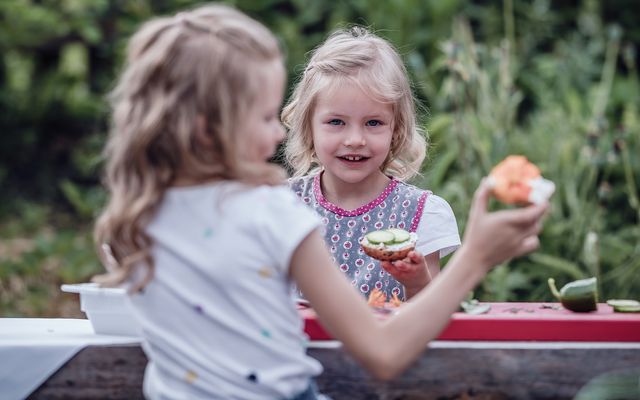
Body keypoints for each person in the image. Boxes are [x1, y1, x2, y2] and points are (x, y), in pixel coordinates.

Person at [93, 4, 548, 399]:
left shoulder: (138, 218)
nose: (277, 132)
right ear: (209, 128)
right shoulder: (275, 211)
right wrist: (476, 258)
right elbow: (384, 354)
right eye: (266, 116)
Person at [282, 27, 460, 301]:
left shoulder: (420, 214)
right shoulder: (283, 205)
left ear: (396, 129)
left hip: (387, 343)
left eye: (373, 123)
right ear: (309, 127)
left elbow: (430, 315)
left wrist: (417, 282)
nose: (355, 140)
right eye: (336, 122)